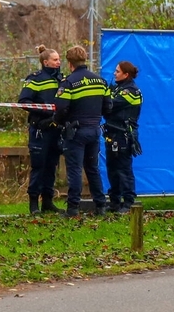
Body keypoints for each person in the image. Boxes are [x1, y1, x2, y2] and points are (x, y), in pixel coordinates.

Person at [53, 45, 108, 217]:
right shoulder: (100, 81)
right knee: (93, 168)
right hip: (94, 130)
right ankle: (101, 206)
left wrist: (58, 122)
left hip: (76, 132)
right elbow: (108, 106)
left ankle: (73, 209)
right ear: (85, 60)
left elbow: (60, 109)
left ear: (70, 63)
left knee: (75, 170)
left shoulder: (68, 83)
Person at [18, 45, 64, 214]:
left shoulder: (61, 79)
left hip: (56, 129)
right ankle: (33, 204)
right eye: (55, 59)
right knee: (39, 166)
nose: (59, 62)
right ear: (46, 62)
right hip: (40, 129)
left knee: (52, 166)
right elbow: (23, 102)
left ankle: (48, 202)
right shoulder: (35, 79)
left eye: (59, 59)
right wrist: (46, 112)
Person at [103, 60, 143, 214]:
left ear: (126, 74)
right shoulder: (118, 88)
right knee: (112, 169)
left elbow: (109, 106)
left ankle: (128, 202)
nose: (114, 73)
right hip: (112, 133)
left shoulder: (131, 91)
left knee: (124, 169)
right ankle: (114, 201)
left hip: (123, 134)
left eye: (117, 71)